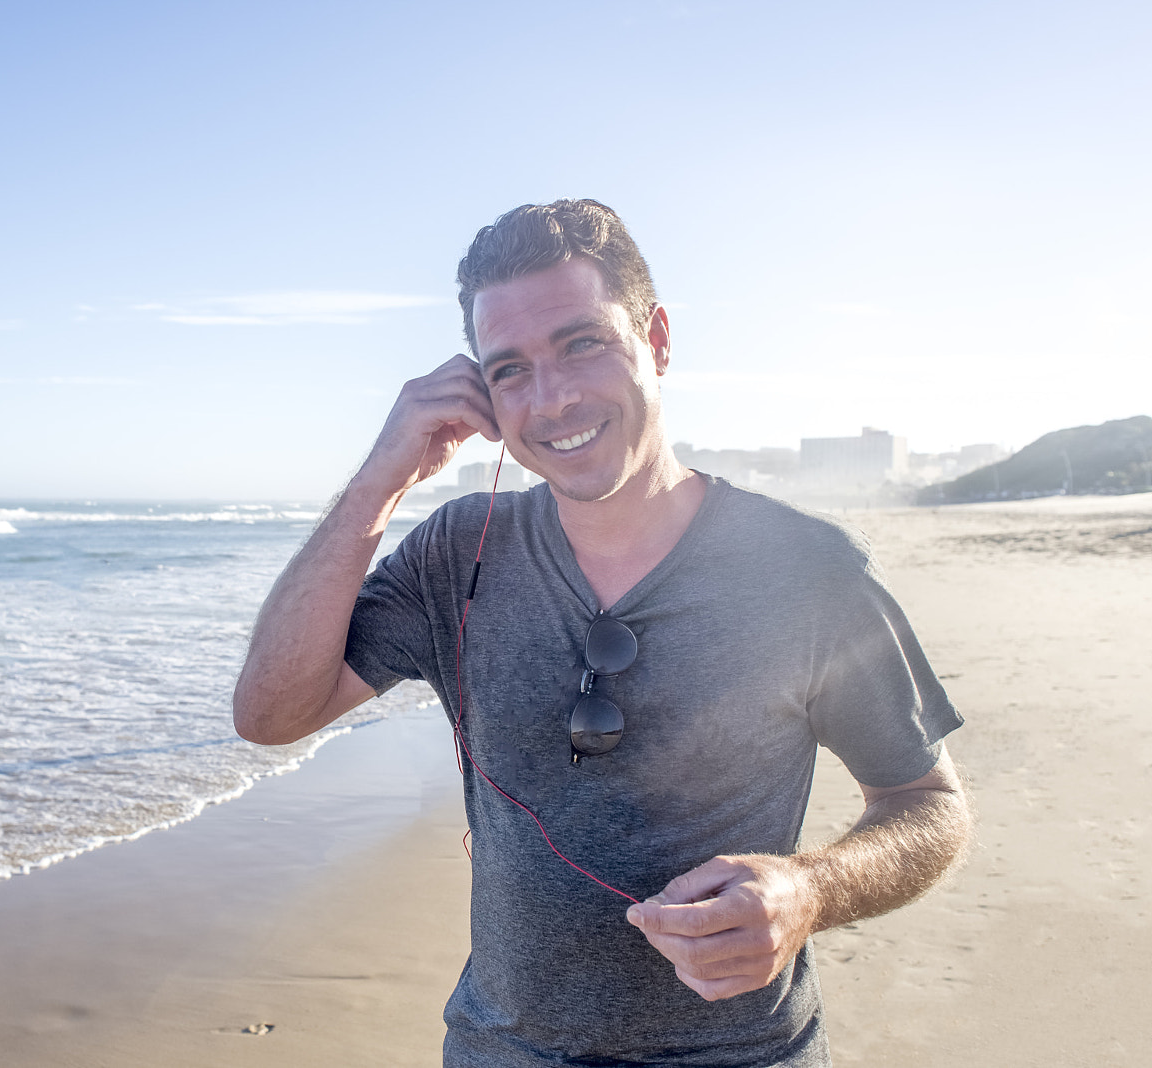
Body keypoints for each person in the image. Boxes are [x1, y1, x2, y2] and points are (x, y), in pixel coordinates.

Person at [233, 199, 972, 1067]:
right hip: (500, 1050)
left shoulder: (808, 571)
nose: (553, 399)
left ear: (656, 339)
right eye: (510, 369)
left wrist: (808, 889)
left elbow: (930, 808)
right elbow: (272, 712)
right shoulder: (458, 552)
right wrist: (379, 481)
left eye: (583, 343)